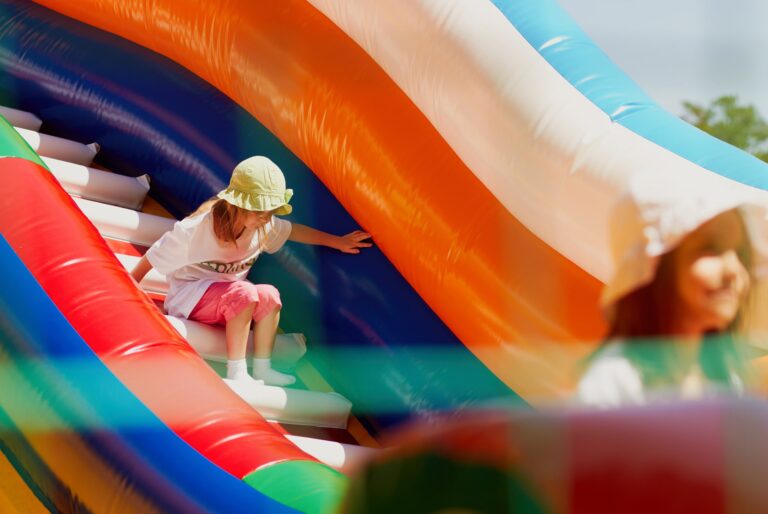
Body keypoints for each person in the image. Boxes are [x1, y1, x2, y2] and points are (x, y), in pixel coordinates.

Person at [130, 156, 372, 387]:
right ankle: (237, 371)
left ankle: (263, 368)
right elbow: (154, 255)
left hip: (230, 301)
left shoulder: (262, 226)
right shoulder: (198, 229)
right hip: (190, 299)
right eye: (259, 211)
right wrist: (130, 287)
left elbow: (295, 231)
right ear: (238, 204)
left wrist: (338, 242)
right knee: (244, 292)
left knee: (269, 294)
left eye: (271, 212)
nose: (266, 218)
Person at [577, 173, 768, 407]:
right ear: (654, 265)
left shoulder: (726, 379)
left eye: (740, 253)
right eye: (710, 248)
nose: (734, 270)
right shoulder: (614, 383)